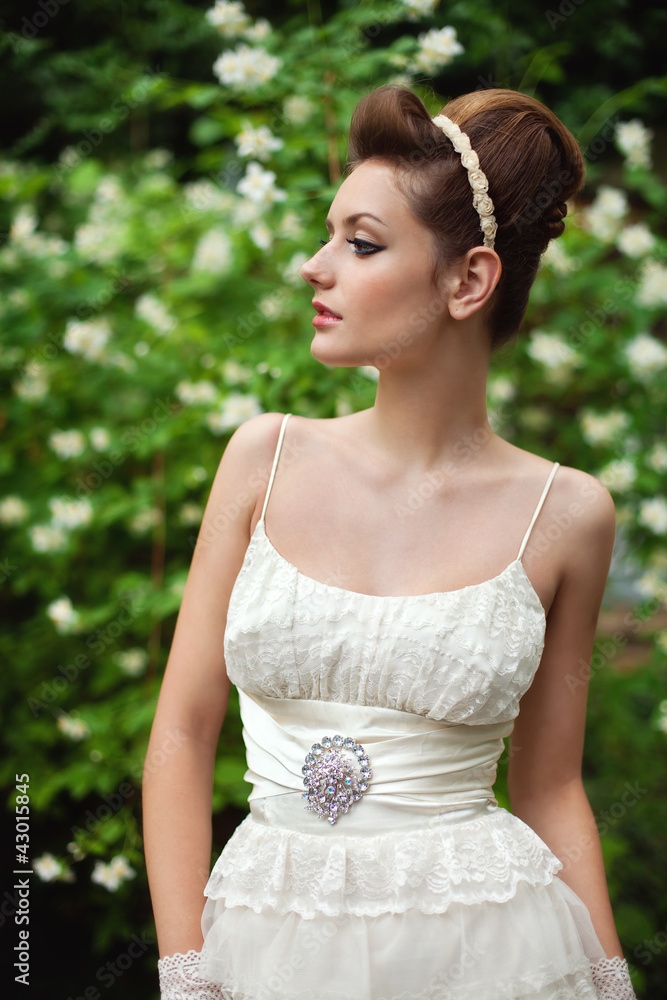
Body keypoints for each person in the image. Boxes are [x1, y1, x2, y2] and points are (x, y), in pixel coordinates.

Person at [143, 84, 638, 999]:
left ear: (468, 280)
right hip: (262, 947)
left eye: (359, 243)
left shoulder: (568, 515)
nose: (312, 267)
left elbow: (549, 789)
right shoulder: (262, 458)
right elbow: (181, 731)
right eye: (327, 234)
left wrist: (608, 980)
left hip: (491, 954)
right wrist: (184, 970)